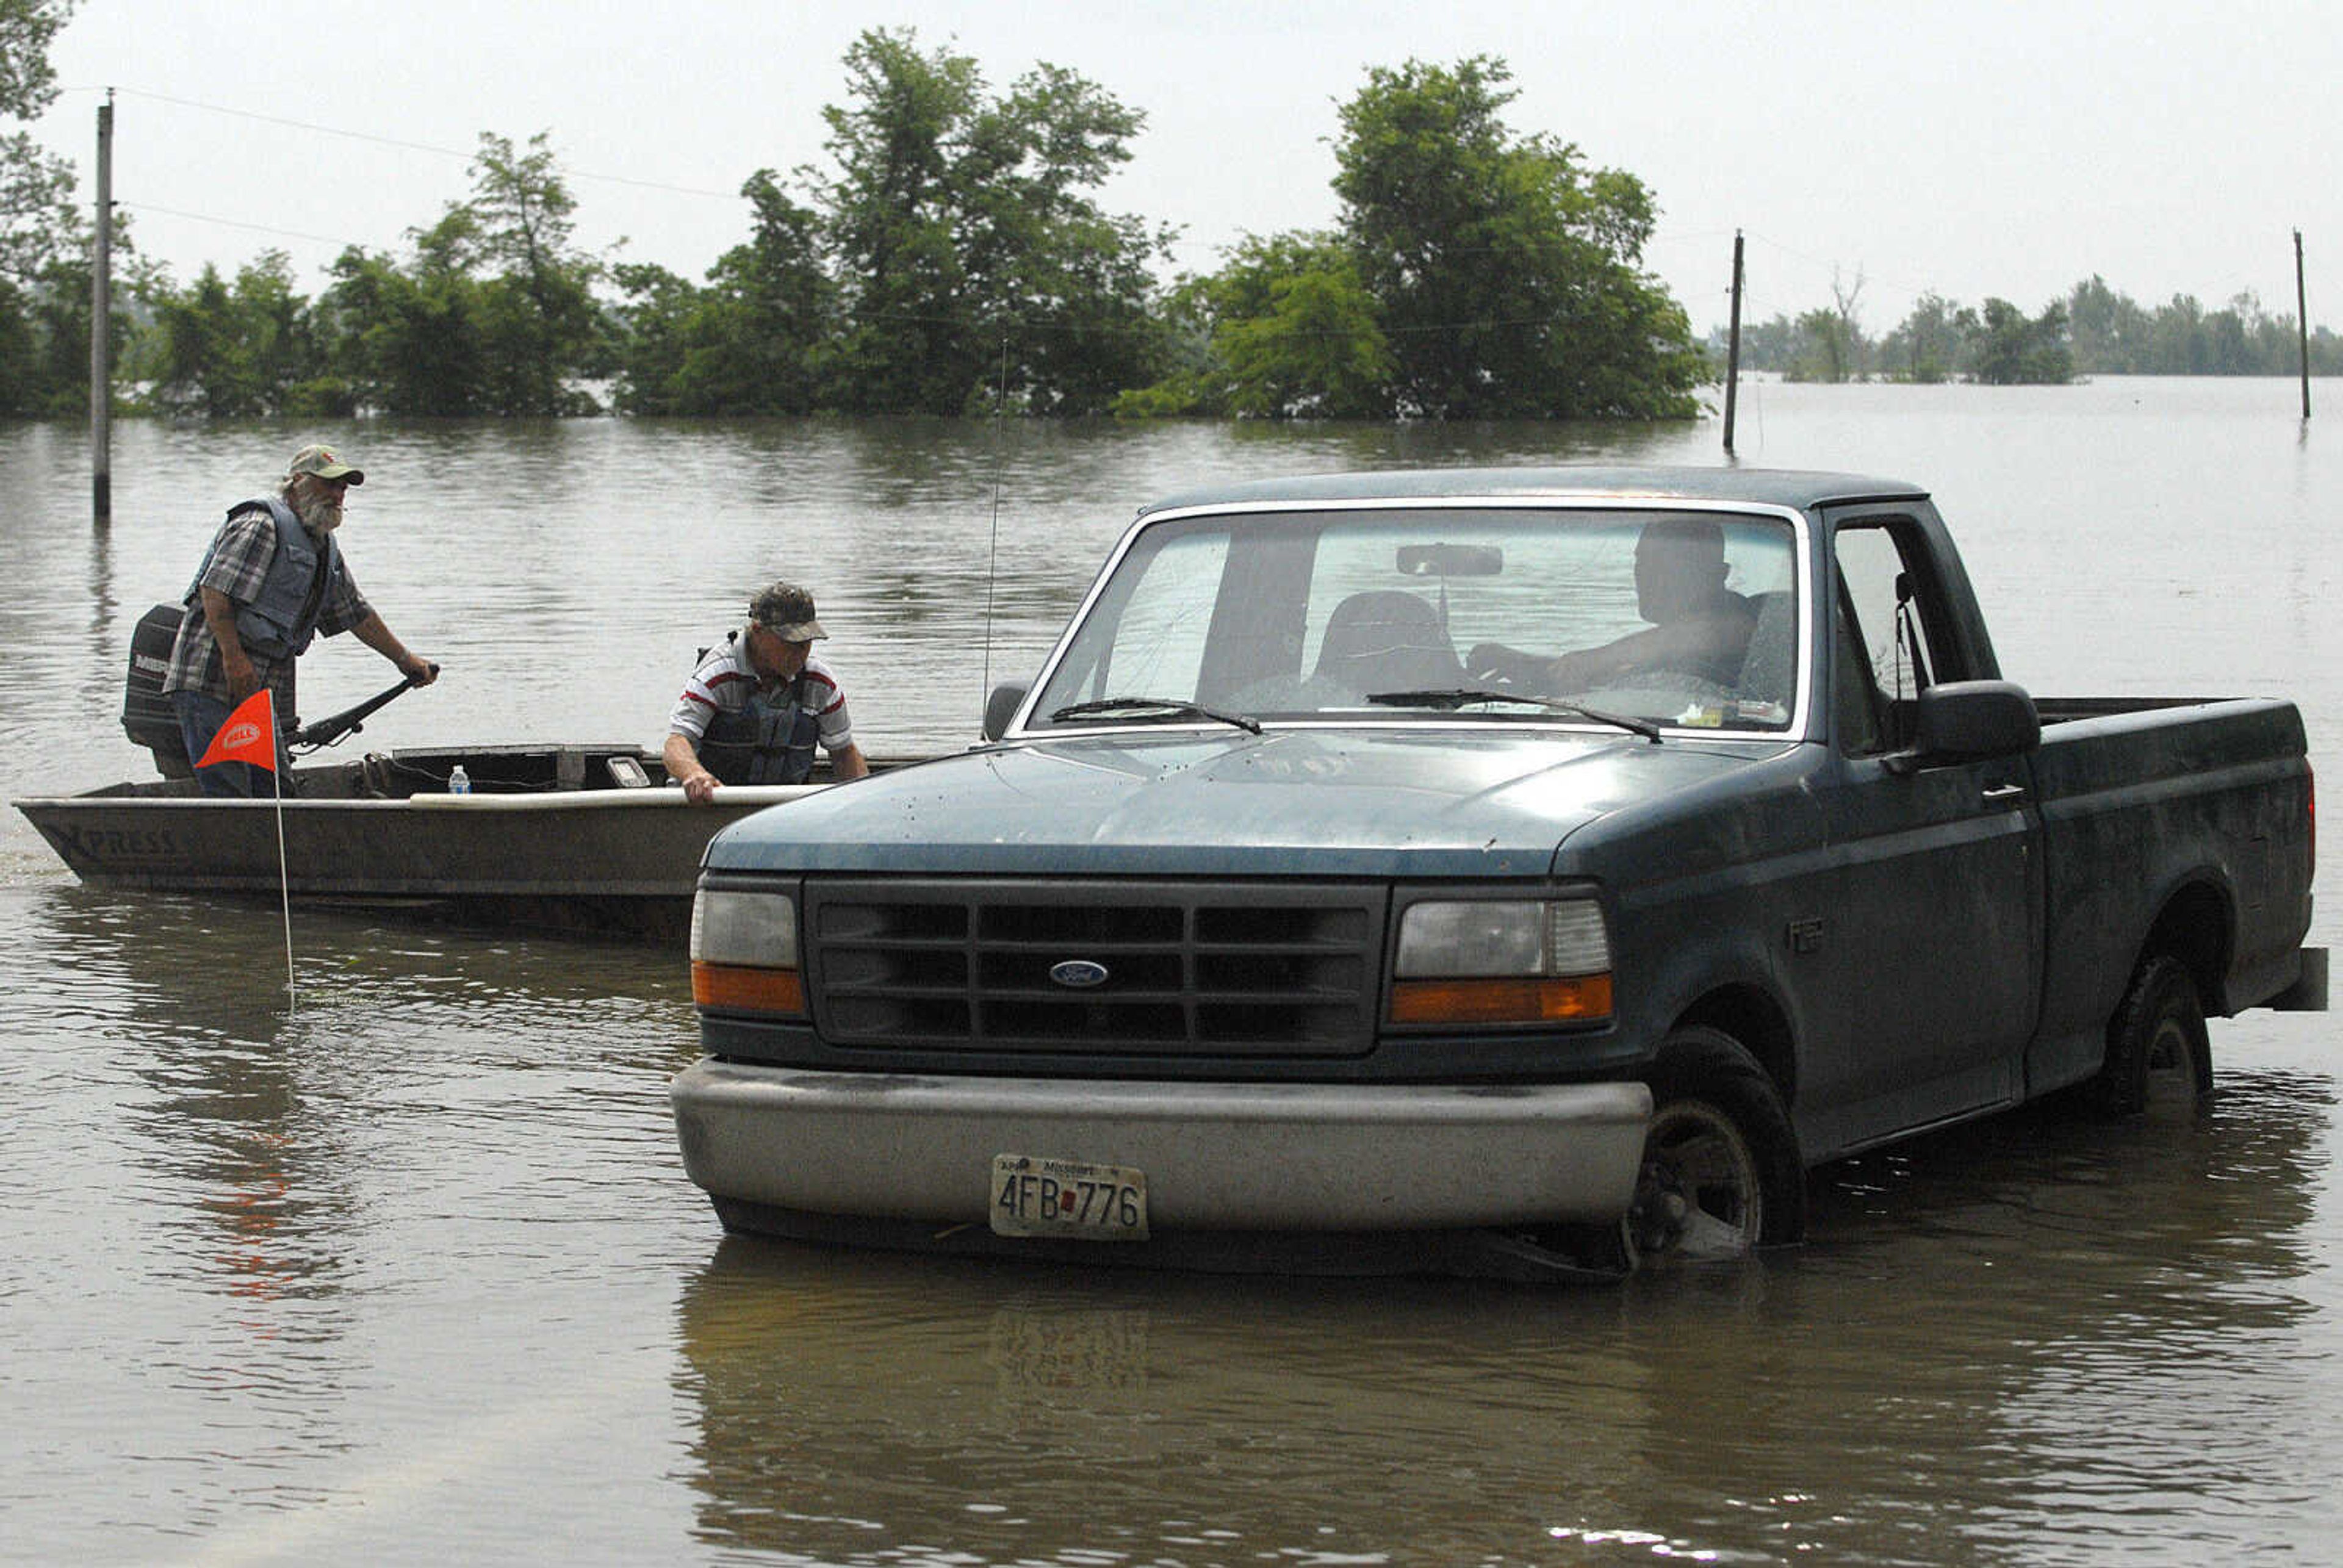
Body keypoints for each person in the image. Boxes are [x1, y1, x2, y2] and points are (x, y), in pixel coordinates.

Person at [163, 443, 438, 797]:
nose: (338, 494)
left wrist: (406, 661)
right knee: (231, 793)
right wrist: (235, 660)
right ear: (297, 483)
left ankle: (274, 852)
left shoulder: (323, 546)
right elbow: (214, 591)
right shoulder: (260, 524)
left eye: (343, 487)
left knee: (277, 792)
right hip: (212, 679)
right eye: (329, 484)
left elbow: (356, 613)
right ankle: (234, 850)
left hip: (259, 692)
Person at [1469, 518, 1758, 692]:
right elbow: (1600, 680)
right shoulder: (1659, 648)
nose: (1643, 575)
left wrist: (1597, 658)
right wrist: (1524, 664)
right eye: (1641, 561)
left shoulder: (1740, 622)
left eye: (1665, 565)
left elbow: (1709, 634)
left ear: (1717, 575)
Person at [665, 581, 869, 804]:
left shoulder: (820, 682)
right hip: (712, 805)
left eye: (806, 642)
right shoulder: (718, 674)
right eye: (790, 642)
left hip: (783, 811)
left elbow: (844, 753)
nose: (800, 653)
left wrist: (865, 803)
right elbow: (677, 742)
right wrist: (694, 774)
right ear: (758, 631)